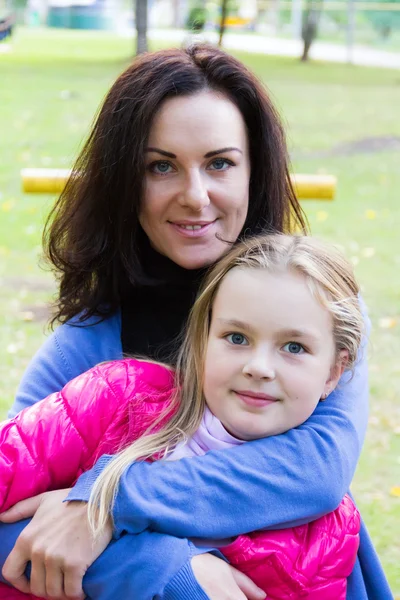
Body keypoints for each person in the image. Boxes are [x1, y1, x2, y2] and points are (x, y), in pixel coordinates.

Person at [0, 44, 391, 600]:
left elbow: (314, 472)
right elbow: (13, 515)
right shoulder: (91, 344)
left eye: (220, 163)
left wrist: (109, 500)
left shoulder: (319, 307)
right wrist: (165, 567)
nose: (195, 195)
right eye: (161, 166)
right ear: (124, 183)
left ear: (256, 170)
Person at [1, 234, 364, 600]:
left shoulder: (328, 530)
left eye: (293, 347)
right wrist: (159, 567)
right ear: (202, 340)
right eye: (237, 338)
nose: (259, 367)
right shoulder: (115, 399)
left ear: (334, 372)